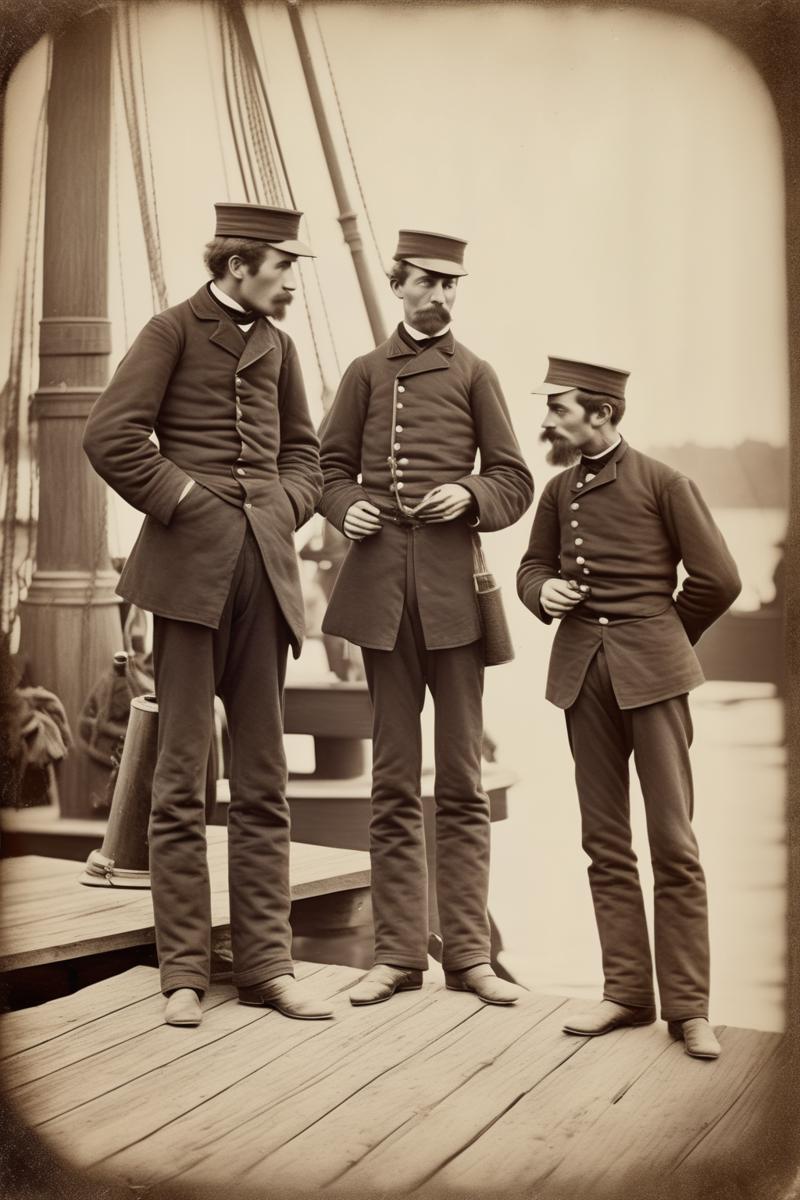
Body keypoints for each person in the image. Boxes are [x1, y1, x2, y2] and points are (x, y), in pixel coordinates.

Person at [83, 202, 331, 1026]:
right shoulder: (170, 331)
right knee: (181, 783)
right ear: (236, 267)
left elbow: (308, 455)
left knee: (264, 782)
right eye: (282, 267)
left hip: (267, 578)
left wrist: (285, 506)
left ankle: (267, 967)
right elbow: (111, 437)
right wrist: (186, 499)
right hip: (187, 583)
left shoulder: (281, 346)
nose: (290, 282)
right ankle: (183, 973)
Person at [318, 229, 534, 1006]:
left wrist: (471, 495)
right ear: (399, 285)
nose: (442, 297)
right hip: (381, 599)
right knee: (392, 781)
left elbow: (515, 479)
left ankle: (470, 958)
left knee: (465, 783)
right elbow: (326, 470)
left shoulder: (476, 374)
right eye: (429, 283)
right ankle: (399, 956)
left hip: (455, 601)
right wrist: (348, 511)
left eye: (453, 285)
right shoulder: (364, 373)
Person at [516, 356, 741, 1059]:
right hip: (583, 677)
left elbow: (719, 579)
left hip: (655, 676)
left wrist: (665, 634)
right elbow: (532, 567)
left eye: (559, 407)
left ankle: (690, 1010)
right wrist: (541, 593)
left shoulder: (665, 482)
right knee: (604, 842)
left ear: (602, 414)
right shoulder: (557, 490)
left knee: (674, 844)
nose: (548, 419)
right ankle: (626, 994)